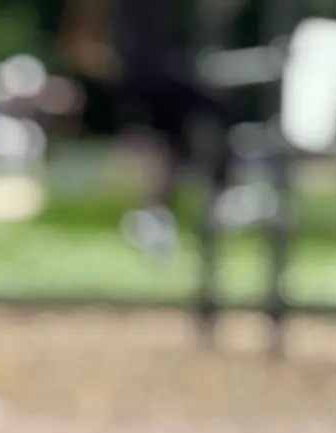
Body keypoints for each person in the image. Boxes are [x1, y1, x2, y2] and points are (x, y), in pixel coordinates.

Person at [59, 0, 241, 256]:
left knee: (173, 143)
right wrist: (98, 59)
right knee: (218, 109)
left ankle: (157, 214)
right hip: (144, 69)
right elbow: (82, 24)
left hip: (150, 67)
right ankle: (219, 192)